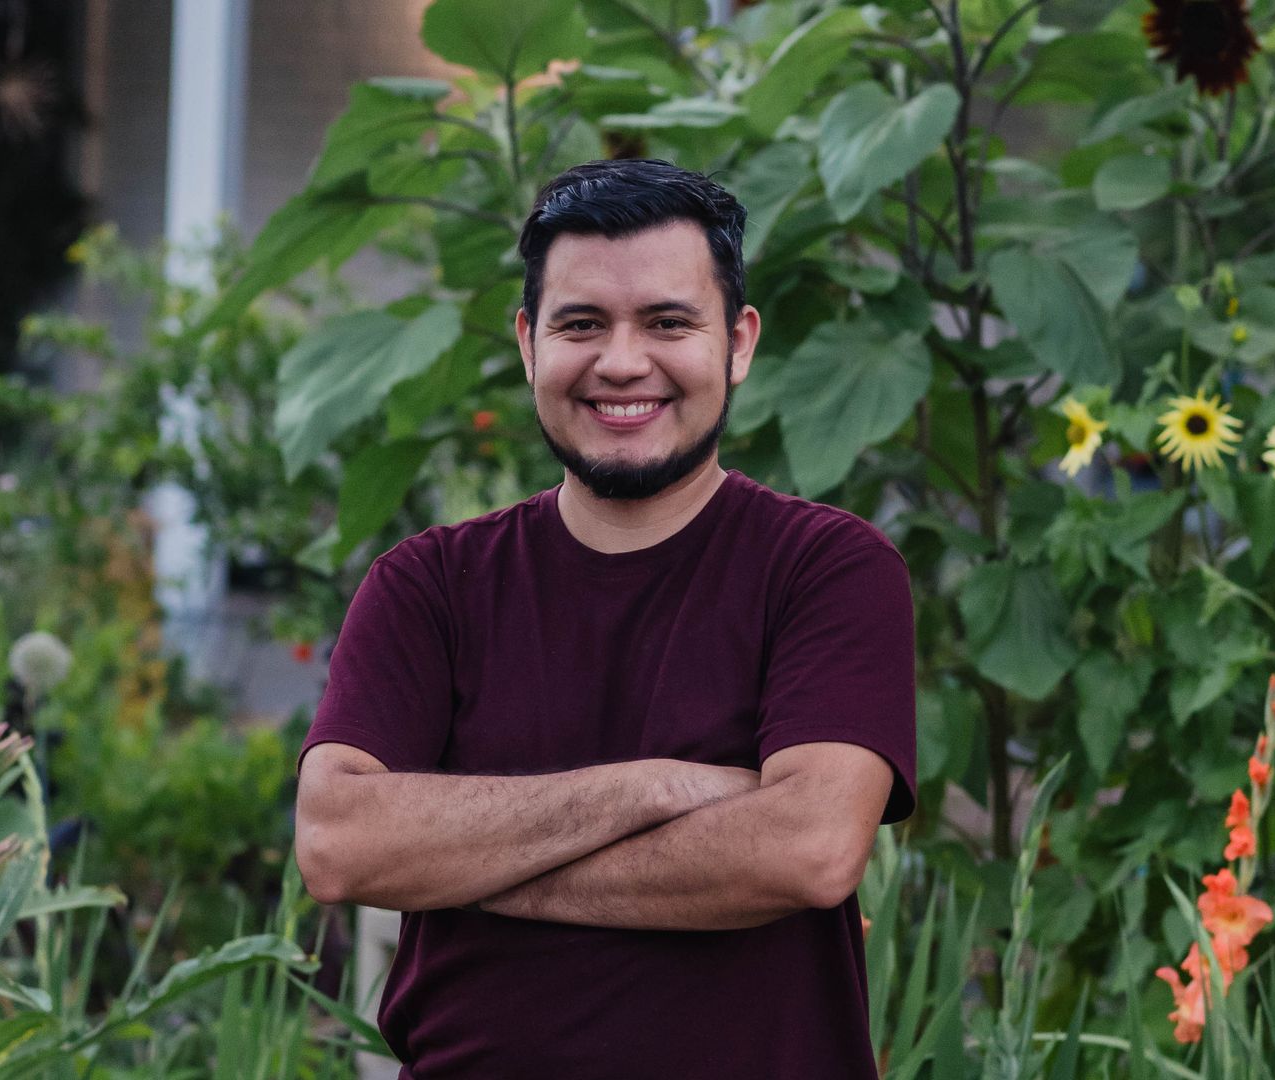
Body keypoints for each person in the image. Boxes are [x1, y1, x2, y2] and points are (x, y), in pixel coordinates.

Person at [294, 158, 916, 1079]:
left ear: (739, 342)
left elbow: (807, 851)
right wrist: (657, 789)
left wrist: (479, 863)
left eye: (669, 322)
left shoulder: (827, 570)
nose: (623, 362)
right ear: (528, 342)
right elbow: (341, 844)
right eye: (582, 324)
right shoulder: (428, 587)